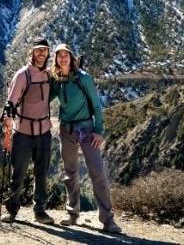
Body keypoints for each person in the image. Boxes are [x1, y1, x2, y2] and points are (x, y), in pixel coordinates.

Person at [49, 43, 122, 233]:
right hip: (66, 130)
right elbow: (45, 97)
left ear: (71, 58)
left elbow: (97, 106)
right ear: (56, 59)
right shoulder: (58, 80)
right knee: (70, 172)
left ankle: (108, 220)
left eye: (66, 55)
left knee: (97, 172)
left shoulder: (84, 78)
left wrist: (99, 131)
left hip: (87, 130)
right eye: (59, 56)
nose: (63, 58)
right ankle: (72, 215)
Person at [1, 38, 56, 224]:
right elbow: (11, 102)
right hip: (23, 132)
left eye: (45, 50)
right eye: (38, 50)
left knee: (42, 174)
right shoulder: (22, 76)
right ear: (31, 53)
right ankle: (11, 210)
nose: (42, 53)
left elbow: (66, 76)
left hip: (44, 132)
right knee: (18, 173)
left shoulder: (50, 75)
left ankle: (40, 211)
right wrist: (7, 130)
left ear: (48, 54)